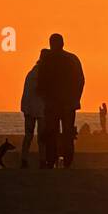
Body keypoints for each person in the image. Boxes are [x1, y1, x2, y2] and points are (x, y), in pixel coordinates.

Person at [36, 33, 85, 168]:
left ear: (51, 44)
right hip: (67, 104)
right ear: (62, 43)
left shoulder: (47, 60)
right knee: (67, 133)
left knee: (53, 133)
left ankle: (51, 160)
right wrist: (75, 99)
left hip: (54, 104)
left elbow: (40, 83)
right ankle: (67, 161)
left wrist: (45, 99)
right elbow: (80, 81)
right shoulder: (72, 59)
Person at [20, 54, 45, 169]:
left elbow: (26, 94)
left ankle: (24, 159)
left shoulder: (30, 74)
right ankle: (42, 160)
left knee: (28, 136)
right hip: (40, 109)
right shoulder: (42, 75)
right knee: (41, 137)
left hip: (29, 109)